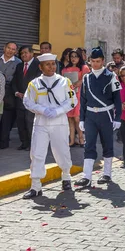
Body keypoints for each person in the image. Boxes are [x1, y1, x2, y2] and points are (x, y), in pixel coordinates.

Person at [22, 53, 77, 198]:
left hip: (59, 122)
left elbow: (72, 101)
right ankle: (36, 186)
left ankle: (66, 176)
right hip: (41, 123)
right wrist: (42, 110)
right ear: (41, 67)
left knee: (62, 151)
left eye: (53, 64)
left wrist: (58, 111)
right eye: (47, 64)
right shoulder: (34, 84)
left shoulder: (64, 82)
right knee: (37, 153)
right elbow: (27, 102)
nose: (51, 67)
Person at [75, 48, 122, 187]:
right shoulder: (86, 77)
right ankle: (87, 177)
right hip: (90, 115)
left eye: (98, 61)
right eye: (93, 61)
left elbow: (117, 99)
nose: (95, 64)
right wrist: (82, 118)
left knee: (107, 143)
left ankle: (107, 174)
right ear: (89, 61)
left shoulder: (111, 76)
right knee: (89, 145)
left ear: (103, 61)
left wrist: (117, 117)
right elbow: (83, 100)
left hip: (106, 114)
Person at [13, 45, 41, 151]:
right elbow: (14, 81)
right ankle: (24, 143)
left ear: (32, 53)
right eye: (22, 53)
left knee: (30, 122)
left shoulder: (38, 65)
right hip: (20, 99)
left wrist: (27, 93)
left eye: (26, 52)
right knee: (20, 122)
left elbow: (38, 81)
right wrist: (16, 92)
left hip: (32, 99)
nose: (23, 55)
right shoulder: (19, 66)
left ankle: (32, 144)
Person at [61, 49, 90, 147]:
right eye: (72, 56)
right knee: (70, 119)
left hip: (79, 95)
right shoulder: (65, 69)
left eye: (76, 56)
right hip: (68, 95)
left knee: (77, 118)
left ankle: (82, 139)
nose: (73, 58)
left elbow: (87, 78)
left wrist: (79, 82)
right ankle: (72, 140)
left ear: (79, 57)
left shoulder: (84, 68)